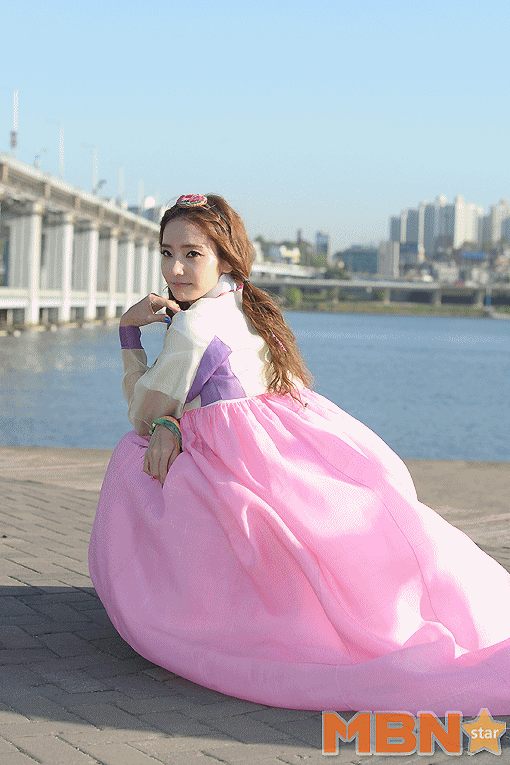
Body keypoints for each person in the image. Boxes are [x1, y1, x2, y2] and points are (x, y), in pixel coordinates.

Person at [89, 194, 510, 716]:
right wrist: (172, 422)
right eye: (167, 253)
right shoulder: (243, 304)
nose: (175, 269)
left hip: (237, 455)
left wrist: (129, 333)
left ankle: (167, 608)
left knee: (130, 459)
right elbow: (205, 392)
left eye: (192, 254)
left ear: (224, 258)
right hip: (279, 447)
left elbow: (141, 410)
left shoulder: (194, 325)